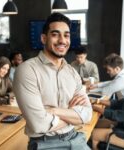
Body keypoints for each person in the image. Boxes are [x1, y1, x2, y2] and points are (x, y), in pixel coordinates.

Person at [13, 13, 92, 150]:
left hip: (75, 138)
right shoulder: (27, 70)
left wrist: (53, 111)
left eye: (66, 35)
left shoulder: (72, 72)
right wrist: (72, 114)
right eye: (55, 34)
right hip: (46, 144)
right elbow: (39, 124)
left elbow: (87, 115)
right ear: (44, 38)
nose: (62, 40)